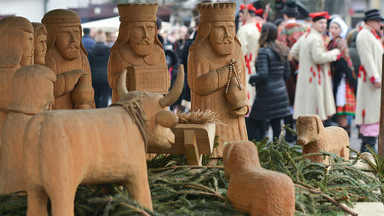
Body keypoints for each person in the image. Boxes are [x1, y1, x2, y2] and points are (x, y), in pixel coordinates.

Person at [188, 2, 248, 158]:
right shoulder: (198, 52)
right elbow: (197, 85)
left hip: (234, 121)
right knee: (212, 154)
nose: (228, 35)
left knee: (238, 155)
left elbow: (242, 84)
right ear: (207, 29)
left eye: (231, 28)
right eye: (220, 29)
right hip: (211, 116)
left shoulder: (236, 49)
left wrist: (243, 104)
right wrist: (226, 73)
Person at [108, 3, 167, 103]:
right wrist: (124, 80)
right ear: (127, 31)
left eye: (150, 28)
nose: (146, 35)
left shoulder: (159, 52)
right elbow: (112, 81)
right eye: (139, 29)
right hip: (127, 108)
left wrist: (166, 80)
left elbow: (164, 81)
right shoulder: (118, 54)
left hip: (154, 105)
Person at [290, 11, 340, 121]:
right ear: (313, 23)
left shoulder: (305, 36)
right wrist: (335, 53)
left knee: (307, 105)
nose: (323, 25)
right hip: (315, 76)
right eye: (320, 22)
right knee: (315, 106)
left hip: (306, 74)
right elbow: (319, 58)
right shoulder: (316, 38)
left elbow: (294, 52)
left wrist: (305, 61)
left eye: (325, 22)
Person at [42, 9, 95, 110]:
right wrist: (73, 77)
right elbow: (43, 92)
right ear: (52, 35)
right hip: (55, 118)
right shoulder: (45, 58)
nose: (73, 40)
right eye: (65, 34)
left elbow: (89, 94)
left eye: (76, 33)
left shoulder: (82, 57)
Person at [248, 22, 290, 142]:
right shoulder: (283, 49)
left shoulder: (263, 51)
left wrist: (251, 78)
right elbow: (287, 74)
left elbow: (263, 75)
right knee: (276, 123)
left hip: (266, 94)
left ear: (263, 34)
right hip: (281, 93)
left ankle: (256, 151)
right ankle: (278, 154)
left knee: (253, 121)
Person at [277, 1, 308, 142]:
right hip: (303, 67)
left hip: (289, 67)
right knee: (300, 98)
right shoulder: (304, 29)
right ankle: (301, 130)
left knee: (289, 99)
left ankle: (289, 132)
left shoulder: (283, 30)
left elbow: (282, 49)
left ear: (285, 15)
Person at [0, 16, 34, 139]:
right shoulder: (7, 75)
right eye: (29, 40)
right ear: (14, 40)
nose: (33, 47)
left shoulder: (18, 72)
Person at [355, 9, 384, 152]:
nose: (380, 23)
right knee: (370, 117)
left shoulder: (372, 35)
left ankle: (369, 151)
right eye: (378, 21)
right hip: (371, 83)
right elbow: (367, 59)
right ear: (369, 22)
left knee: (374, 116)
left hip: (374, 82)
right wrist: (375, 77)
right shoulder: (364, 35)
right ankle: (367, 153)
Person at [327, 17, 356, 136]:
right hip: (337, 77)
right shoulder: (332, 41)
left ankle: (344, 135)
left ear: (341, 29)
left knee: (341, 107)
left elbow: (346, 61)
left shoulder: (340, 41)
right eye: (331, 27)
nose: (333, 30)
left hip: (342, 79)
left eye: (336, 27)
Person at [236, 3, 259, 107]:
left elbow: (239, 52)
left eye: (241, 12)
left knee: (245, 98)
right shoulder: (257, 27)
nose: (239, 15)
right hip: (253, 66)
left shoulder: (245, 29)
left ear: (247, 14)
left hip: (245, 67)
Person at [88, 30, 111, 108]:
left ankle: (97, 111)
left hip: (94, 76)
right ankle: (104, 111)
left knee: (96, 96)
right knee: (105, 96)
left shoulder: (90, 50)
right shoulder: (109, 50)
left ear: (95, 38)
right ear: (104, 38)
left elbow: (89, 64)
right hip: (106, 76)